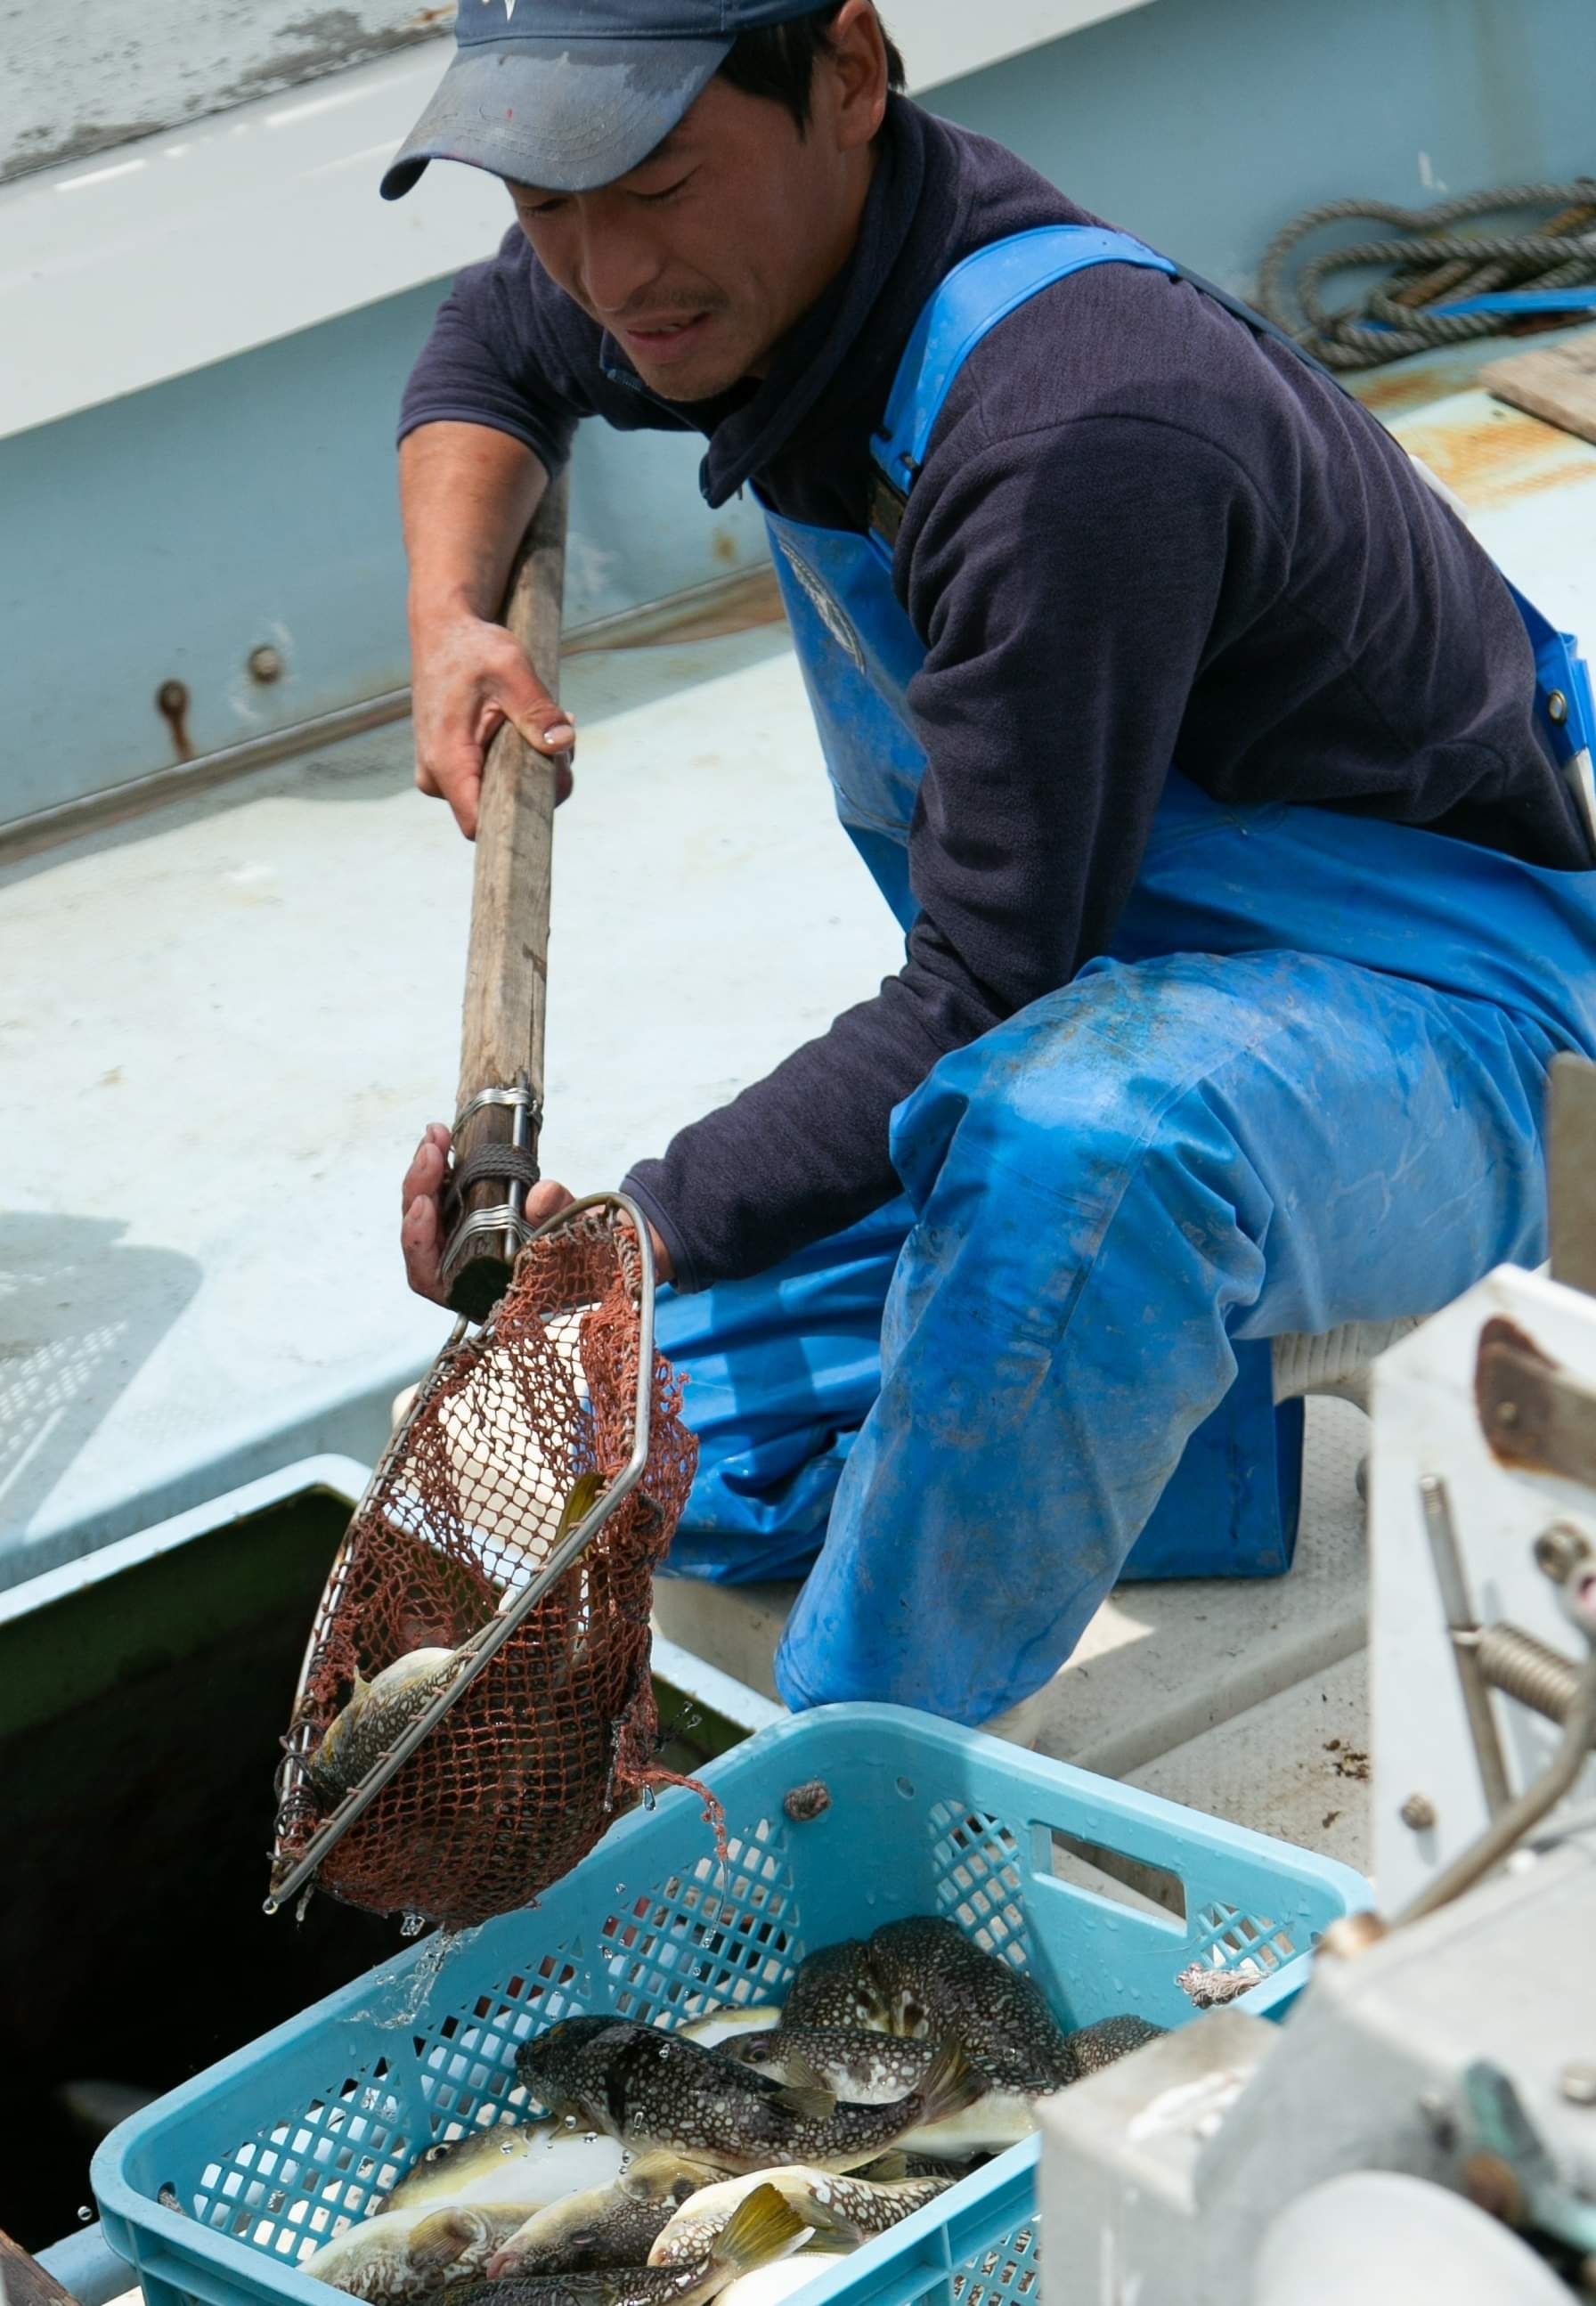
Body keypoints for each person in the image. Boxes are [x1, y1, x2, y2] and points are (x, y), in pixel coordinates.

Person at [389, 0, 1596, 1729]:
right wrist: (452, 626)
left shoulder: (1071, 433)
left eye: (653, 182)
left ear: (850, 75)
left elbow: (981, 984)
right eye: (544, 201)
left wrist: (623, 1226)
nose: (600, 266)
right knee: (557, 1437)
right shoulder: (708, 286)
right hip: (1099, 990)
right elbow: (487, 354)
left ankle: (856, 1782)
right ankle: (1190, 1434)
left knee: (1077, 1145)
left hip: (1457, 1036)